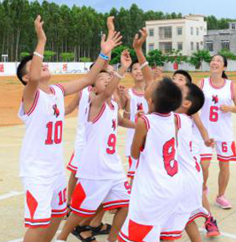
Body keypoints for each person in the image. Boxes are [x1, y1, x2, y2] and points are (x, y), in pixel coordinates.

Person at [17, 15, 120, 242]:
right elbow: (35, 75)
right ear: (26, 78)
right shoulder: (30, 96)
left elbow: (88, 79)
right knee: (37, 224)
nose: (43, 65)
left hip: (55, 170)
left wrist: (104, 53)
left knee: (56, 216)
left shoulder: (56, 91)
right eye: (36, 66)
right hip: (37, 173)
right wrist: (41, 39)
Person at [57, 35, 136, 242]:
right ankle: (62, 237)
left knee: (126, 205)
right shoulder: (97, 102)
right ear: (93, 87)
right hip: (94, 169)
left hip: (113, 167)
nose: (107, 79)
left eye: (108, 78)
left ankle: (113, 240)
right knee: (80, 212)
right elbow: (108, 90)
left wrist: (141, 124)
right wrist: (121, 69)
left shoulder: (111, 105)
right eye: (102, 79)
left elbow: (119, 121)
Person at [117, 78, 184, 242]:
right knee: (166, 236)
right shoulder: (175, 118)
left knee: (131, 237)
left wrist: (143, 121)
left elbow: (134, 153)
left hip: (152, 191)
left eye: (152, 85)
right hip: (173, 186)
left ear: (150, 100)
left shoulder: (144, 121)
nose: (150, 83)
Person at [159, 82, 217, 242]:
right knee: (185, 218)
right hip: (190, 177)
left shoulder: (176, 119)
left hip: (183, 180)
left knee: (166, 227)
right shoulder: (182, 118)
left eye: (179, 91)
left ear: (185, 103)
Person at [171, 70, 220, 237]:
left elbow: (200, 125)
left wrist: (206, 139)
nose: (176, 81)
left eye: (181, 80)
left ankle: (210, 219)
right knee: (185, 213)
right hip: (181, 162)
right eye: (174, 78)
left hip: (187, 160)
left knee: (196, 193)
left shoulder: (182, 113)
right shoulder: (174, 108)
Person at [199, 54, 236, 210]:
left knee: (224, 165)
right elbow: (194, 103)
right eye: (212, 60)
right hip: (204, 132)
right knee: (203, 165)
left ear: (224, 67)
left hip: (223, 132)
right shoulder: (203, 83)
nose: (214, 62)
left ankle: (221, 196)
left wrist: (230, 108)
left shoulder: (230, 85)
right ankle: (203, 189)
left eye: (218, 61)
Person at [119, 60, 147, 180]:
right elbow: (124, 120)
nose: (138, 71)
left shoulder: (154, 93)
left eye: (141, 68)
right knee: (135, 178)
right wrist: (128, 101)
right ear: (130, 73)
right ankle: (133, 199)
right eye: (135, 69)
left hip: (151, 139)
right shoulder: (128, 93)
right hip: (134, 141)